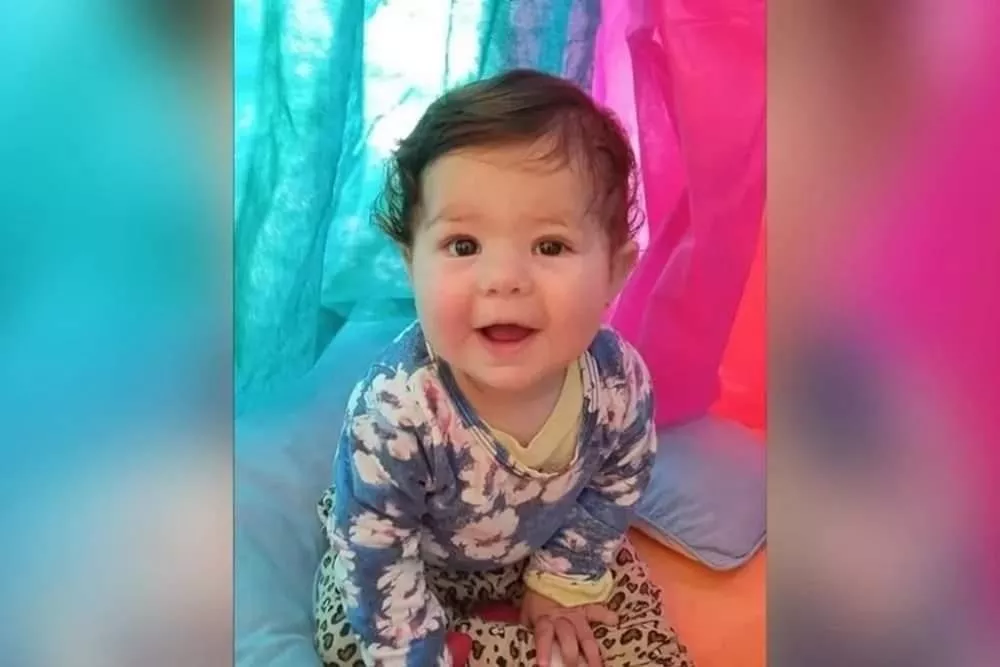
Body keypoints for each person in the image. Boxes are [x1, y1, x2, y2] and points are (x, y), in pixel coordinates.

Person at [314, 69, 691, 667]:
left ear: (614, 273)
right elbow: (376, 548)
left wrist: (562, 578)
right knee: (348, 633)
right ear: (412, 265)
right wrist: (413, 647)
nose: (505, 279)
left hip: (545, 542)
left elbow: (617, 480)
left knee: (632, 625)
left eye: (550, 246)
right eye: (463, 246)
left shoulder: (619, 383)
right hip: (411, 556)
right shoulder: (396, 411)